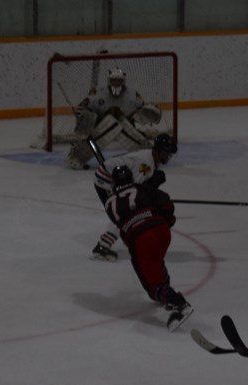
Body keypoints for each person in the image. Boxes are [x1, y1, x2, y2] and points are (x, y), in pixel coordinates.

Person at [103, 164, 192, 331]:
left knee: (152, 286)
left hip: (140, 237)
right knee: (154, 259)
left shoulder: (109, 203)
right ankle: (164, 285)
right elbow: (164, 200)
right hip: (161, 230)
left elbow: (122, 228)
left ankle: (178, 304)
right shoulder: (141, 187)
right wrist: (168, 218)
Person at [92, 133, 177, 262]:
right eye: (167, 153)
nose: (168, 157)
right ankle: (102, 247)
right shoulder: (146, 163)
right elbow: (133, 189)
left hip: (113, 178)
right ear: (158, 150)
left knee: (126, 211)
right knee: (125, 212)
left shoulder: (151, 159)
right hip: (106, 180)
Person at [65, 67, 163, 170]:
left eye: (119, 80)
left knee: (119, 124)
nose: (116, 83)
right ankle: (76, 156)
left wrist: (147, 113)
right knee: (99, 119)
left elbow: (143, 110)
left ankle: (150, 156)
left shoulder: (132, 94)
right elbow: (82, 108)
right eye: (113, 80)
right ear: (109, 81)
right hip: (101, 128)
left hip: (124, 127)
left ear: (123, 81)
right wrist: (86, 121)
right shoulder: (98, 92)